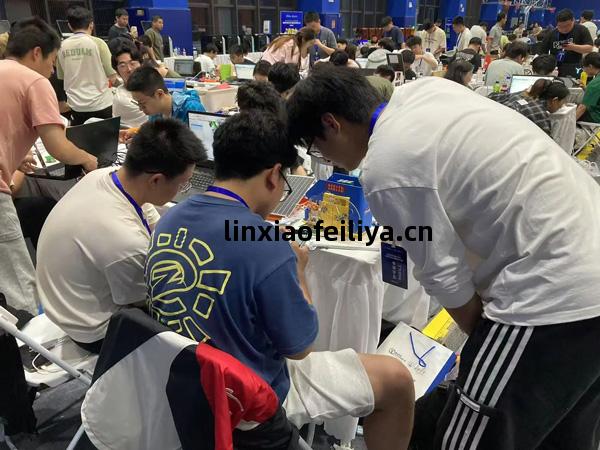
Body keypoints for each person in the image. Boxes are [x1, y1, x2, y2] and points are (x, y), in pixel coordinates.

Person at [287, 63, 600, 450]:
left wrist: (482, 347)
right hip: (585, 253)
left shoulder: (386, 167)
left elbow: (445, 278)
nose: (326, 159)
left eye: (317, 148)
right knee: (564, 432)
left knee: (469, 436)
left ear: (332, 124)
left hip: (549, 294)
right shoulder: (427, 92)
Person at [145, 109, 415, 450]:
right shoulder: (267, 244)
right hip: (246, 404)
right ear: (274, 175)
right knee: (397, 380)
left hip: (179, 380)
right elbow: (300, 348)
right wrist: (299, 271)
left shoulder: (169, 220)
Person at [37, 119, 205, 353]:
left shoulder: (107, 176)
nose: (182, 191)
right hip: (94, 331)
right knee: (200, 307)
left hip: (68, 302)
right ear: (156, 180)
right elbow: (150, 300)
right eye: (183, 184)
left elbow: (152, 222)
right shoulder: (124, 241)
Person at [0, 17, 97, 315]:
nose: (52, 71)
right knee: (19, 284)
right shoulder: (34, 81)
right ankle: (24, 340)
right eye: (53, 61)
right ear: (37, 53)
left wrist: (13, 156)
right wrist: (87, 159)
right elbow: (57, 145)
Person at [56, 6, 117, 126]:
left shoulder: (61, 47)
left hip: (76, 107)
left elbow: (61, 77)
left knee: (81, 137)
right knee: (106, 137)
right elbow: (112, 75)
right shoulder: (98, 43)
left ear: (69, 26)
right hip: (102, 104)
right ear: (91, 24)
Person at [126, 66, 205, 124]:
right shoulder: (156, 113)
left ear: (159, 94)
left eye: (143, 103)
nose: (140, 108)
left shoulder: (191, 109)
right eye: (138, 103)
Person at [490, 79, 569, 135]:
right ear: (555, 100)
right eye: (562, 102)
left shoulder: (519, 95)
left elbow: (492, 96)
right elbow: (547, 145)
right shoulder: (540, 114)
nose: (562, 106)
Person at [541, 9, 593, 77]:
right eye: (560, 26)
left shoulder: (581, 30)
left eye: (567, 26)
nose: (564, 29)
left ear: (573, 20)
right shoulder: (551, 33)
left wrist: (573, 47)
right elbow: (543, 53)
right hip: (555, 67)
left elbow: (589, 48)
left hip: (574, 66)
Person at [111, 45, 146, 128]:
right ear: (117, 71)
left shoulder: (150, 83)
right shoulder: (122, 99)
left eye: (132, 63)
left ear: (141, 65)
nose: (129, 69)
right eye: (123, 66)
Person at [577, 52, 600, 123]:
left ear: (590, 66)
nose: (584, 71)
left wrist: (568, 123)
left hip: (596, 117)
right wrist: (586, 89)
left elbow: (582, 108)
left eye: (584, 67)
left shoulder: (594, 84)